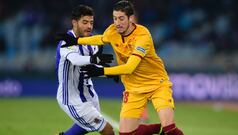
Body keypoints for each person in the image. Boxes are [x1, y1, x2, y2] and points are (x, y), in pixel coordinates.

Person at [57, 1, 184, 135]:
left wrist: (103, 71)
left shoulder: (143, 36)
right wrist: (77, 41)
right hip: (133, 89)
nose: (117, 22)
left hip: (157, 84)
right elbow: (101, 39)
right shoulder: (113, 30)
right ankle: (157, 129)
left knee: (169, 129)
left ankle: (165, 129)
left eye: (121, 18)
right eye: (115, 18)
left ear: (131, 19)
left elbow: (130, 68)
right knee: (125, 133)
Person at [55, 5, 115, 135]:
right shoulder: (67, 41)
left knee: (86, 125)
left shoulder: (91, 41)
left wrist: (111, 73)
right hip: (71, 97)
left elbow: (92, 69)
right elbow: (76, 60)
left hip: (89, 94)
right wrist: (94, 59)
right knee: (107, 130)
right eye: (85, 22)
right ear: (74, 22)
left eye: (91, 22)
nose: (89, 26)